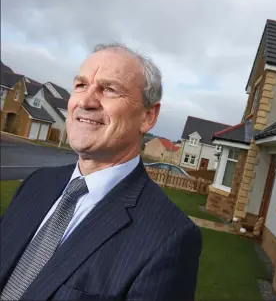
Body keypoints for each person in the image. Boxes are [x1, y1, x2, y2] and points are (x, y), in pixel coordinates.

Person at [0, 44, 202, 301]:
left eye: (109, 89)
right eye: (81, 85)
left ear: (148, 116)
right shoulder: (36, 184)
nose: (85, 101)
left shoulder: (169, 239)